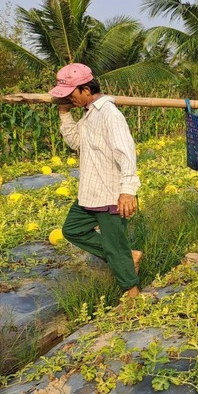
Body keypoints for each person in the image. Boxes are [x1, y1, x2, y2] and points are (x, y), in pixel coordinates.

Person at [51, 63, 142, 298]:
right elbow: (76, 142)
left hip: (111, 193)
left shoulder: (109, 114)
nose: (70, 99)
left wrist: (128, 190)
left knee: (113, 245)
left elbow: (126, 151)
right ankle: (126, 255)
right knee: (72, 229)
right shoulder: (89, 114)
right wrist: (64, 114)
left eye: (72, 94)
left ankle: (133, 295)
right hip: (91, 192)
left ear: (86, 90)